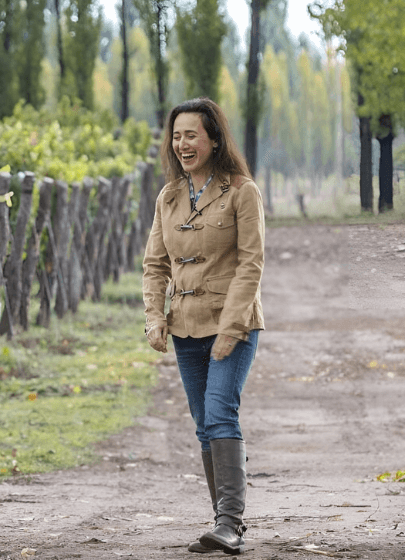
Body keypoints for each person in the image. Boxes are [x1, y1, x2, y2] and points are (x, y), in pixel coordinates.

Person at [142, 97, 265, 555]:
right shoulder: (169, 196)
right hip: (185, 329)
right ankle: (224, 522)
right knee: (202, 425)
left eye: (191, 135)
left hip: (233, 325)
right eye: (176, 136)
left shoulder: (241, 191)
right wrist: (156, 318)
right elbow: (155, 264)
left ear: (214, 138)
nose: (182, 144)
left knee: (219, 414)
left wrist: (232, 328)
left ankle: (230, 524)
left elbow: (251, 264)